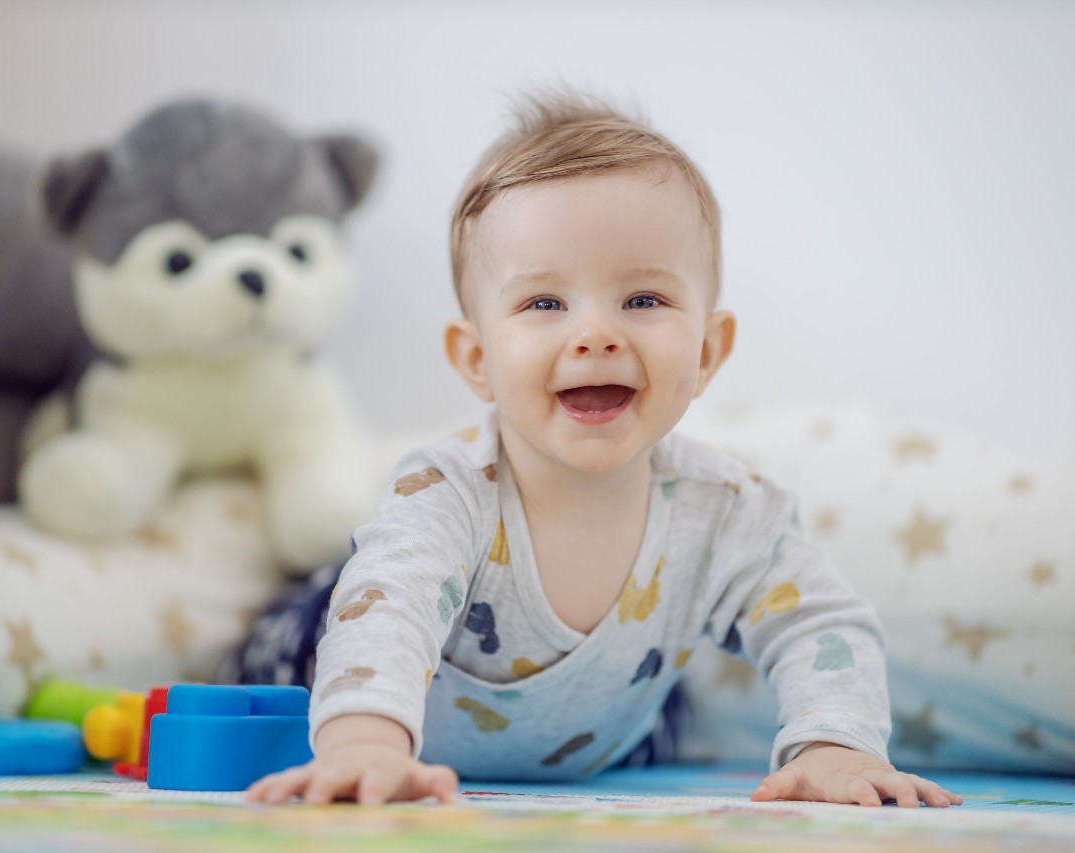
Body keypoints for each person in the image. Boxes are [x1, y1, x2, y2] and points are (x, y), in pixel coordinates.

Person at [239, 92, 962, 809]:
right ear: (477, 357)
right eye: (545, 303)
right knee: (299, 646)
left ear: (709, 350)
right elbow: (388, 608)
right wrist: (363, 744)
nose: (596, 334)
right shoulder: (447, 490)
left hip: (605, 729)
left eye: (643, 300)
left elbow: (819, 621)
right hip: (323, 664)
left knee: (667, 706)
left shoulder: (726, 510)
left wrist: (833, 746)